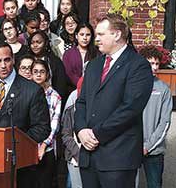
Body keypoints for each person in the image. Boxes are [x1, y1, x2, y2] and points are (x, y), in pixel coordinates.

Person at [74, 13, 154, 188]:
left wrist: (96, 134)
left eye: (101, 35)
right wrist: (80, 131)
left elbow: (130, 109)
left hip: (118, 158)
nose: (97, 39)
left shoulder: (138, 65)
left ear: (117, 34)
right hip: (89, 156)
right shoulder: (94, 65)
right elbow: (81, 102)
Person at [0, 40, 51, 188]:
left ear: (13, 60)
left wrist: (15, 145)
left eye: (7, 60)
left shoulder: (32, 90)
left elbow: (42, 127)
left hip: (20, 168)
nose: (3, 65)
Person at [138, 45, 172, 188]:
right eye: (150, 63)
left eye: (157, 63)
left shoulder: (163, 89)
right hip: (130, 146)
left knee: (154, 185)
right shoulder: (132, 85)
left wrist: (148, 146)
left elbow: (165, 122)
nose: (154, 67)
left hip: (154, 150)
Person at [31, 59, 61, 188]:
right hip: (28, 146)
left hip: (47, 147)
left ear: (47, 74)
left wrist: (44, 144)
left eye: (42, 72)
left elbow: (55, 125)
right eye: (35, 72)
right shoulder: (26, 93)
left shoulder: (54, 96)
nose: (38, 75)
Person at [63, 22, 99, 90]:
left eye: (88, 35)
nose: (85, 38)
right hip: (73, 90)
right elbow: (68, 74)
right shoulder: (68, 54)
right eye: (82, 34)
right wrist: (81, 84)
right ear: (76, 36)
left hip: (93, 89)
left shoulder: (97, 53)